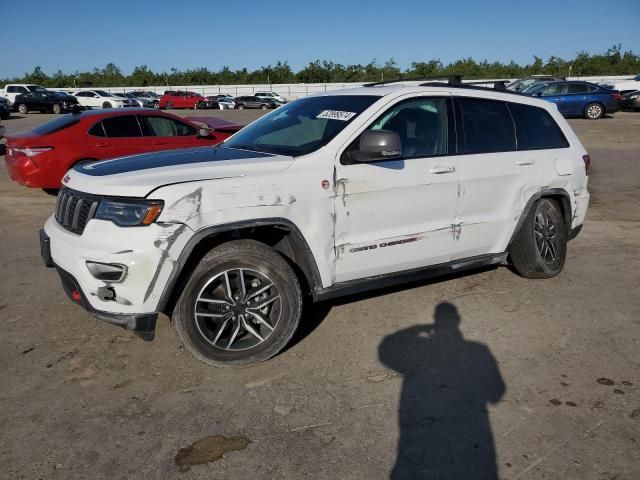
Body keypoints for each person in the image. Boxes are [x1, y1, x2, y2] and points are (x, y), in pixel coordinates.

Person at [379, 302, 506, 479]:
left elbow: (385, 351)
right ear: (458, 320)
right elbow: (496, 392)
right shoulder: (478, 350)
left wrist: (417, 328)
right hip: (472, 441)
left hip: (421, 444)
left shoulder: (422, 349)